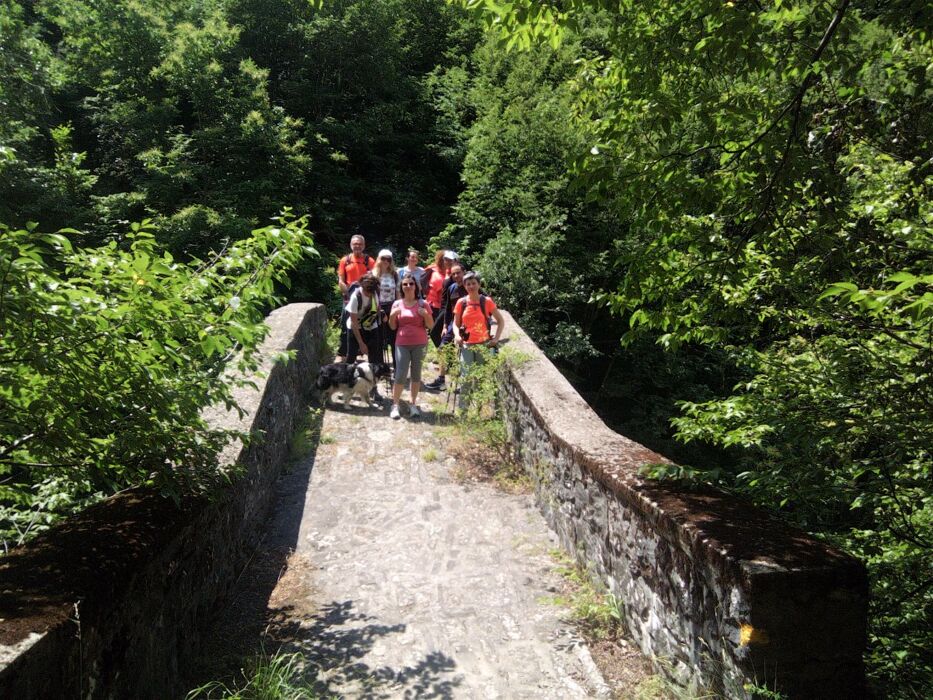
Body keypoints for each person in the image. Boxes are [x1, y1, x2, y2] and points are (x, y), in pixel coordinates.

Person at [452, 271, 505, 409]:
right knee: (466, 378)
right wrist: (457, 336)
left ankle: (479, 410)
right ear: (464, 286)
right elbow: (455, 324)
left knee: (480, 378)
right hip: (466, 345)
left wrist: (496, 339)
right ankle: (463, 411)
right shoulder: (461, 302)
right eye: (468, 284)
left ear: (479, 284)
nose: (471, 286)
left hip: (484, 344)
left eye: (473, 283)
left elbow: (500, 321)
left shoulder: (486, 301)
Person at [388, 276, 433, 419]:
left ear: (416, 286)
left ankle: (413, 404)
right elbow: (392, 326)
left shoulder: (423, 304)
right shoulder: (396, 304)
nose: (408, 286)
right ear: (401, 287)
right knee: (400, 374)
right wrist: (392, 316)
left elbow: (431, 325)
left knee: (416, 375)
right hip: (402, 343)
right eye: (405, 284)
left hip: (420, 343)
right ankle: (395, 405)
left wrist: (425, 315)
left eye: (411, 283)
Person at [424, 263, 466, 391]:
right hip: (454, 324)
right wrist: (444, 326)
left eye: (458, 272)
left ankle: (462, 384)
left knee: (464, 353)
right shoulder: (451, 288)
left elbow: (485, 301)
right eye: (453, 274)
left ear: (464, 272)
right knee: (443, 348)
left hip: (468, 324)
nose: (456, 276)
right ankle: (441, 381)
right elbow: (448, 309)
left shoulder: (471, 285)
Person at [337, 233, 374, 358]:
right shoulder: (345, 260)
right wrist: (347, 292)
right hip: (349, 298)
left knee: (365, 324)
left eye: (359, 244)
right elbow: (341, 280)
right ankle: (345, 352)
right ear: (351, 245)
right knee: (345, 324)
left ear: (363, 246)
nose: (357, 246)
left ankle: (363, 350)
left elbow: (374, 279)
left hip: (366, 298)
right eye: (355, 244)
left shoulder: (369, 261)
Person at [345, 275, 382, 364]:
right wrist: (361, 343)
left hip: (371, 325)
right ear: (362, 287)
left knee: (374, 354)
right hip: (355, 326)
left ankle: (373, 375)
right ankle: (347, 376)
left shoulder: (375, 291)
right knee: (352, 355)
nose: (369, 294)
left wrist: (381, 314)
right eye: (367, 292)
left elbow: (376, 308)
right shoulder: (355, 297)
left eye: (371, 292)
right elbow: (354, 323)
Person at [373, 249, 401, 366]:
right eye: (383, 258)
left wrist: (399, 309)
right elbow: (371, 295)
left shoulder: (395, 274)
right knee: (378, 338)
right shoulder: (373, 274)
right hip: (377, 307)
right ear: (378, 259)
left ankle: (396, 365)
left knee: (394, 338)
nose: (385, 261)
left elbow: (398, 292)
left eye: (388, 259)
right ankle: (379, 366)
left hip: (392, 307)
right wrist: (378, 309)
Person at [424, 250, 457, 346]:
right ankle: (446, 356)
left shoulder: (457, 274)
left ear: (455, 261)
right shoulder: (446, 272)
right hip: (443, 308)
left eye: (450, 260)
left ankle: (447, 356)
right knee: (437, 333)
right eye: (445, 259)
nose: (447, 262)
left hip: (451, 309)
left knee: (437, 333)